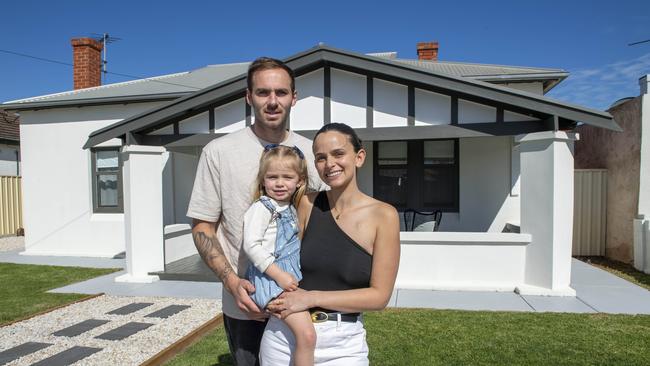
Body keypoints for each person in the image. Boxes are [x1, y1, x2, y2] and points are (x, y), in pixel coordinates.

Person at [187, 57, 324, 366]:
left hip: (300, 296)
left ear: (294, 97)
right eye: (263, 93)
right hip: (245, 304)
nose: (273, 101)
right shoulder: (219, 152)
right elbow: (202, 228)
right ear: (248, 97)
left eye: (281, 92)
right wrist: (231, 281)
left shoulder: (311, 153)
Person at [261, 123, 401, 365]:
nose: (330, 164)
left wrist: (312, 297)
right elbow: (276, 255)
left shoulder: (384, 216)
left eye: (338, 154)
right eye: (321, 158)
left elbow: (379, 297)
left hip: (343, 344)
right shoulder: (306, 203)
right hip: (285, 336)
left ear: (359, 157)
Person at [243, 145, 317, 366]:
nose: (279, 182)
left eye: (287, 177)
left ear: (300, 181)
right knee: (307, 335)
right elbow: (251, 245)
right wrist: (279, 275)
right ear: (263, 181)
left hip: (282, 278)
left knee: (295, 335)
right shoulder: (263, 208)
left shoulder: (290, 208)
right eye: (272, 177)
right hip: (270, 280)